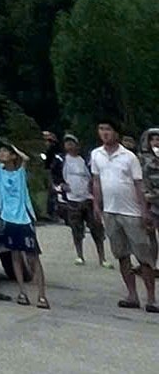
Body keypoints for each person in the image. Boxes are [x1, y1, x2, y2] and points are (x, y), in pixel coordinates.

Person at [89, 118, 157, 312]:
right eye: (101, 129)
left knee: (143, 257)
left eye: (108, 129)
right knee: (121, 255)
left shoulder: (129, 157)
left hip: (131, 212)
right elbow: (96, 181)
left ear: (116, 133)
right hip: (111, 211)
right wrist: (96, 204)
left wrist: (144, 211)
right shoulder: (96, 155)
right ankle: (132, 295)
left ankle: (151, 298)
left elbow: (138, 184)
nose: (104, 133)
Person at [0, 144, 49, 308]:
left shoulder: (20, 172)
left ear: (13, 156)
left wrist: (15, 149)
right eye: (1, 151)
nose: (2, 154)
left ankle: (41, 295)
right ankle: (22, 292)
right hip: (8, 218)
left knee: (33, 257)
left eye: (6, 152)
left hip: (24, 219)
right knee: (15, 255)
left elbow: (26, 158)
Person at [58, 132, 107, 265]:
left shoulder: (86, 159)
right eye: (67, 143)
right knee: (76, 228)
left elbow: (94, 175)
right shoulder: (61, 160)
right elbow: (54, 176)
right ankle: (80, 255)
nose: (69, 145)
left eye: (71, 142)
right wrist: (61, 185)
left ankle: (102, 257)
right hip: (72, 199)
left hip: (88, 198)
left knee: (96, 227)